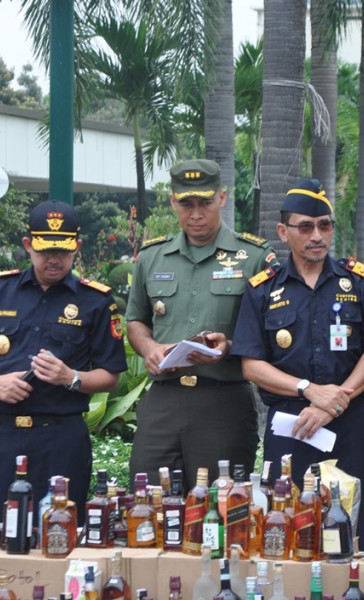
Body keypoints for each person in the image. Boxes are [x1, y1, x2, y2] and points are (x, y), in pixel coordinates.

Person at [231, 178, 364, 547]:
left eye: (324, 225)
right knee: (287, 525)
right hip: (291, 426)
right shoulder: (263, 288)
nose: (317, 235)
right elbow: (251, 365)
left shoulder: (359, 281)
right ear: (283, 232)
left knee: (354, 529)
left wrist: (335, 400)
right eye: (305, 227)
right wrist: (309, 390)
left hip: (349, 422)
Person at [0, 200, 127, 526]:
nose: (54, 259)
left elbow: (111, 375)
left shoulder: (95, 300)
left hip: (60, 436)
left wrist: (70, 377)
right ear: (28, 245)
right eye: (45, 250)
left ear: (77, 247)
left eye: (63, 251)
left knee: (59, 531)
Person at [126, 159, 277, 488]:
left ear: (222, 198)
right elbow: (136, 319)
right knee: (147, 498)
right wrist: (149, 348)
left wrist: (230, 348)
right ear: (173, 202)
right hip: (163, 399)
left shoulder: (254, 257)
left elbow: (274, 332)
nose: (196, 214)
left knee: (221, 502)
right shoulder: (152, 257)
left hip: (223, 401)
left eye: (205, 203)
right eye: (186, 204)